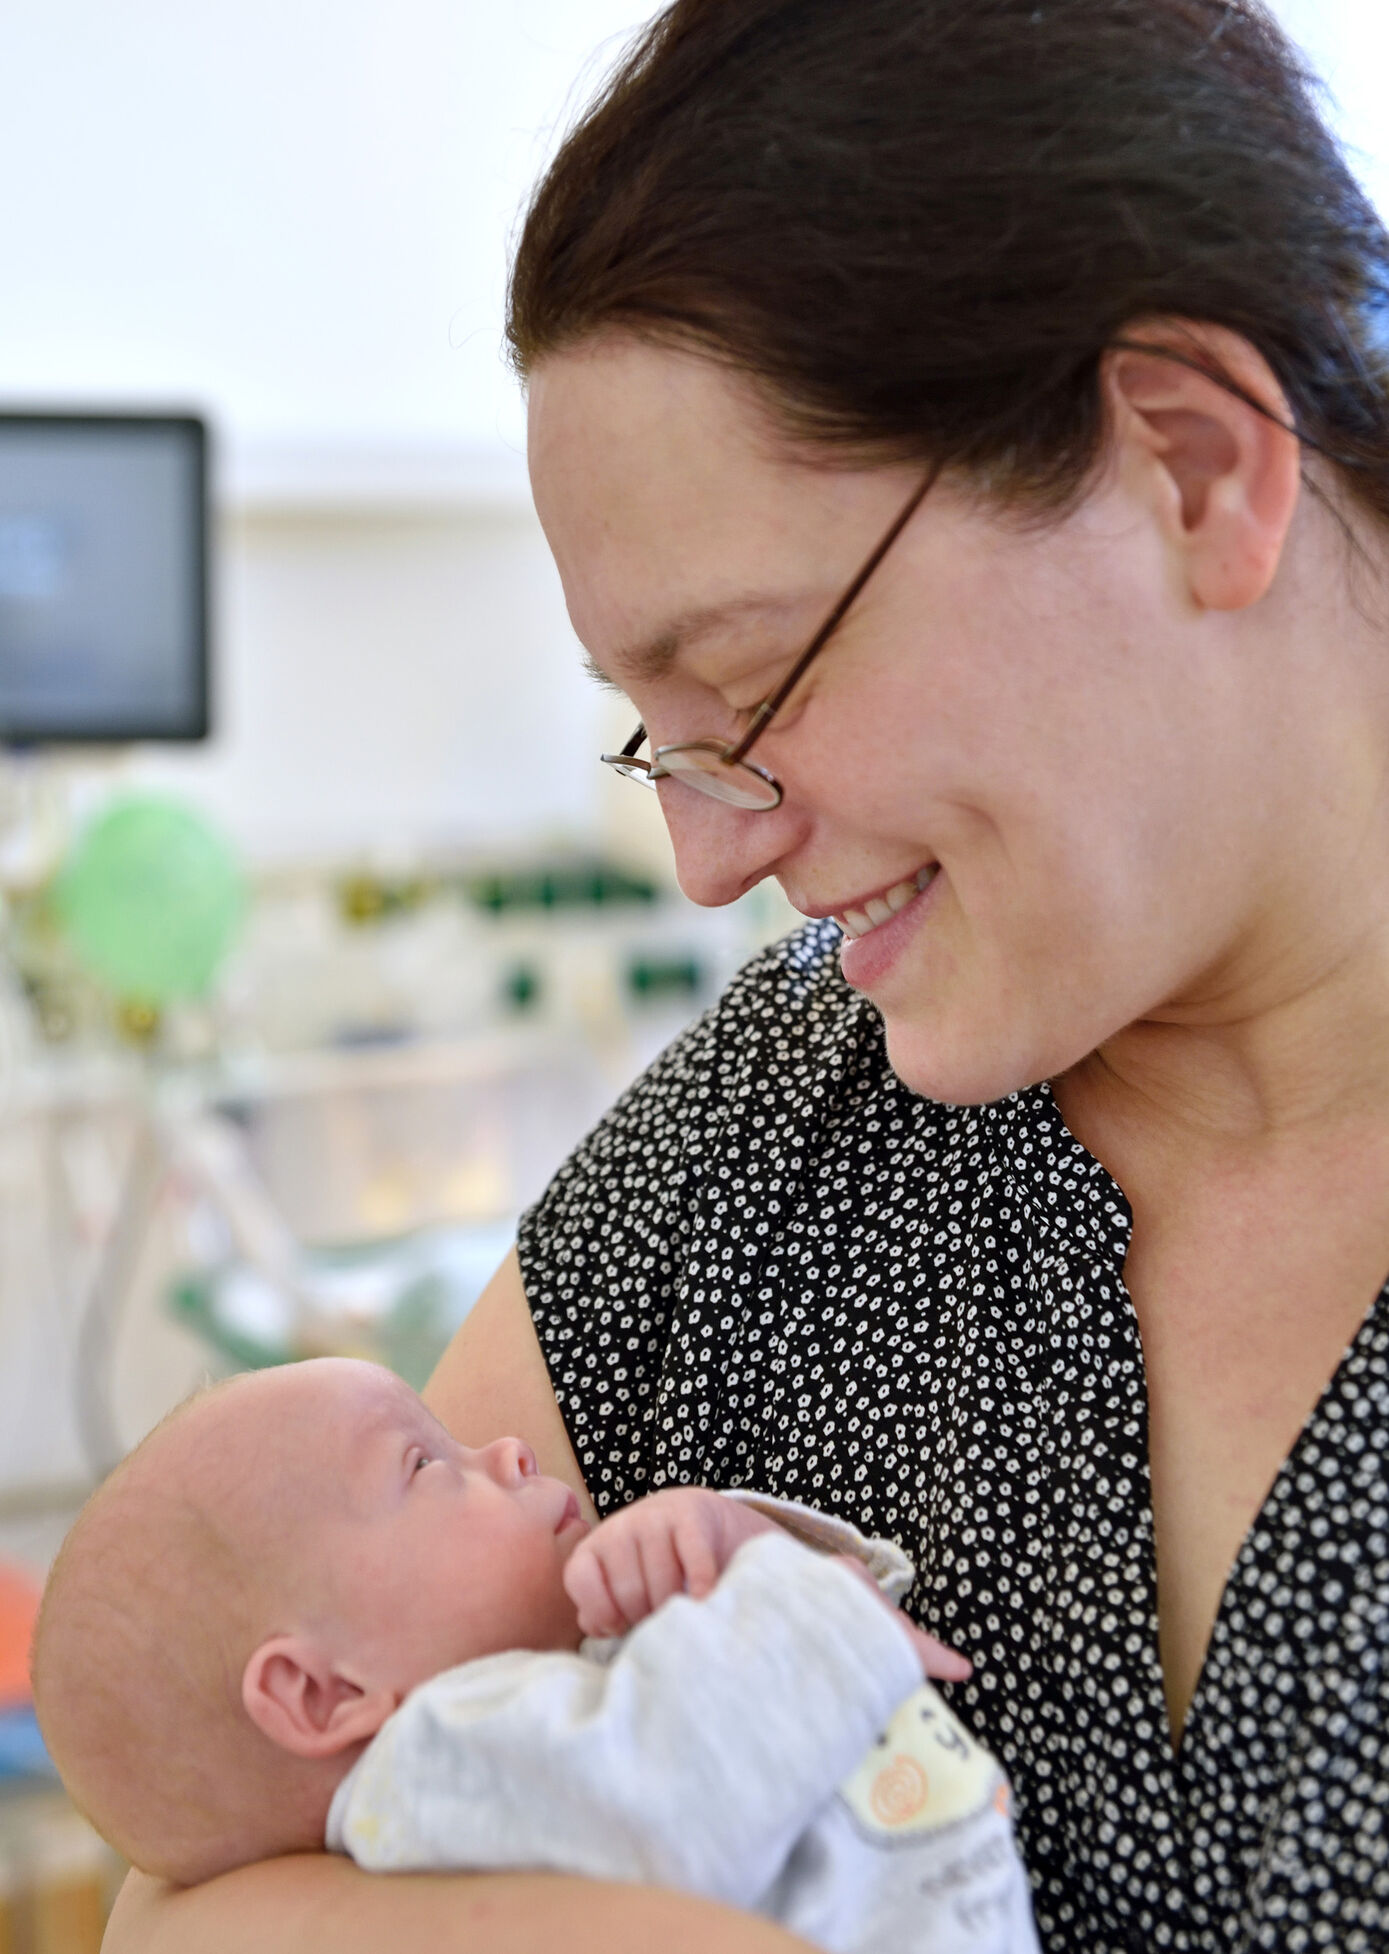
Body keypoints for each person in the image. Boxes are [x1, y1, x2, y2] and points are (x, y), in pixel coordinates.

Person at [106, 0, 1389, 1949]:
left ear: (1192, 470)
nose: (711, 857)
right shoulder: (789, 1104)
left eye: (755, 684)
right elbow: (195, 1874)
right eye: (660, 733)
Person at [32, 1358, 1040, 1953]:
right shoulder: (438, 1765)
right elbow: (680, 1803)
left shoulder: (512, 1717)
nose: (508, 1450)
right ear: (322, 1689)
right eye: (424, 1465)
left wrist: (731, 1545)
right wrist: (816, 1613)